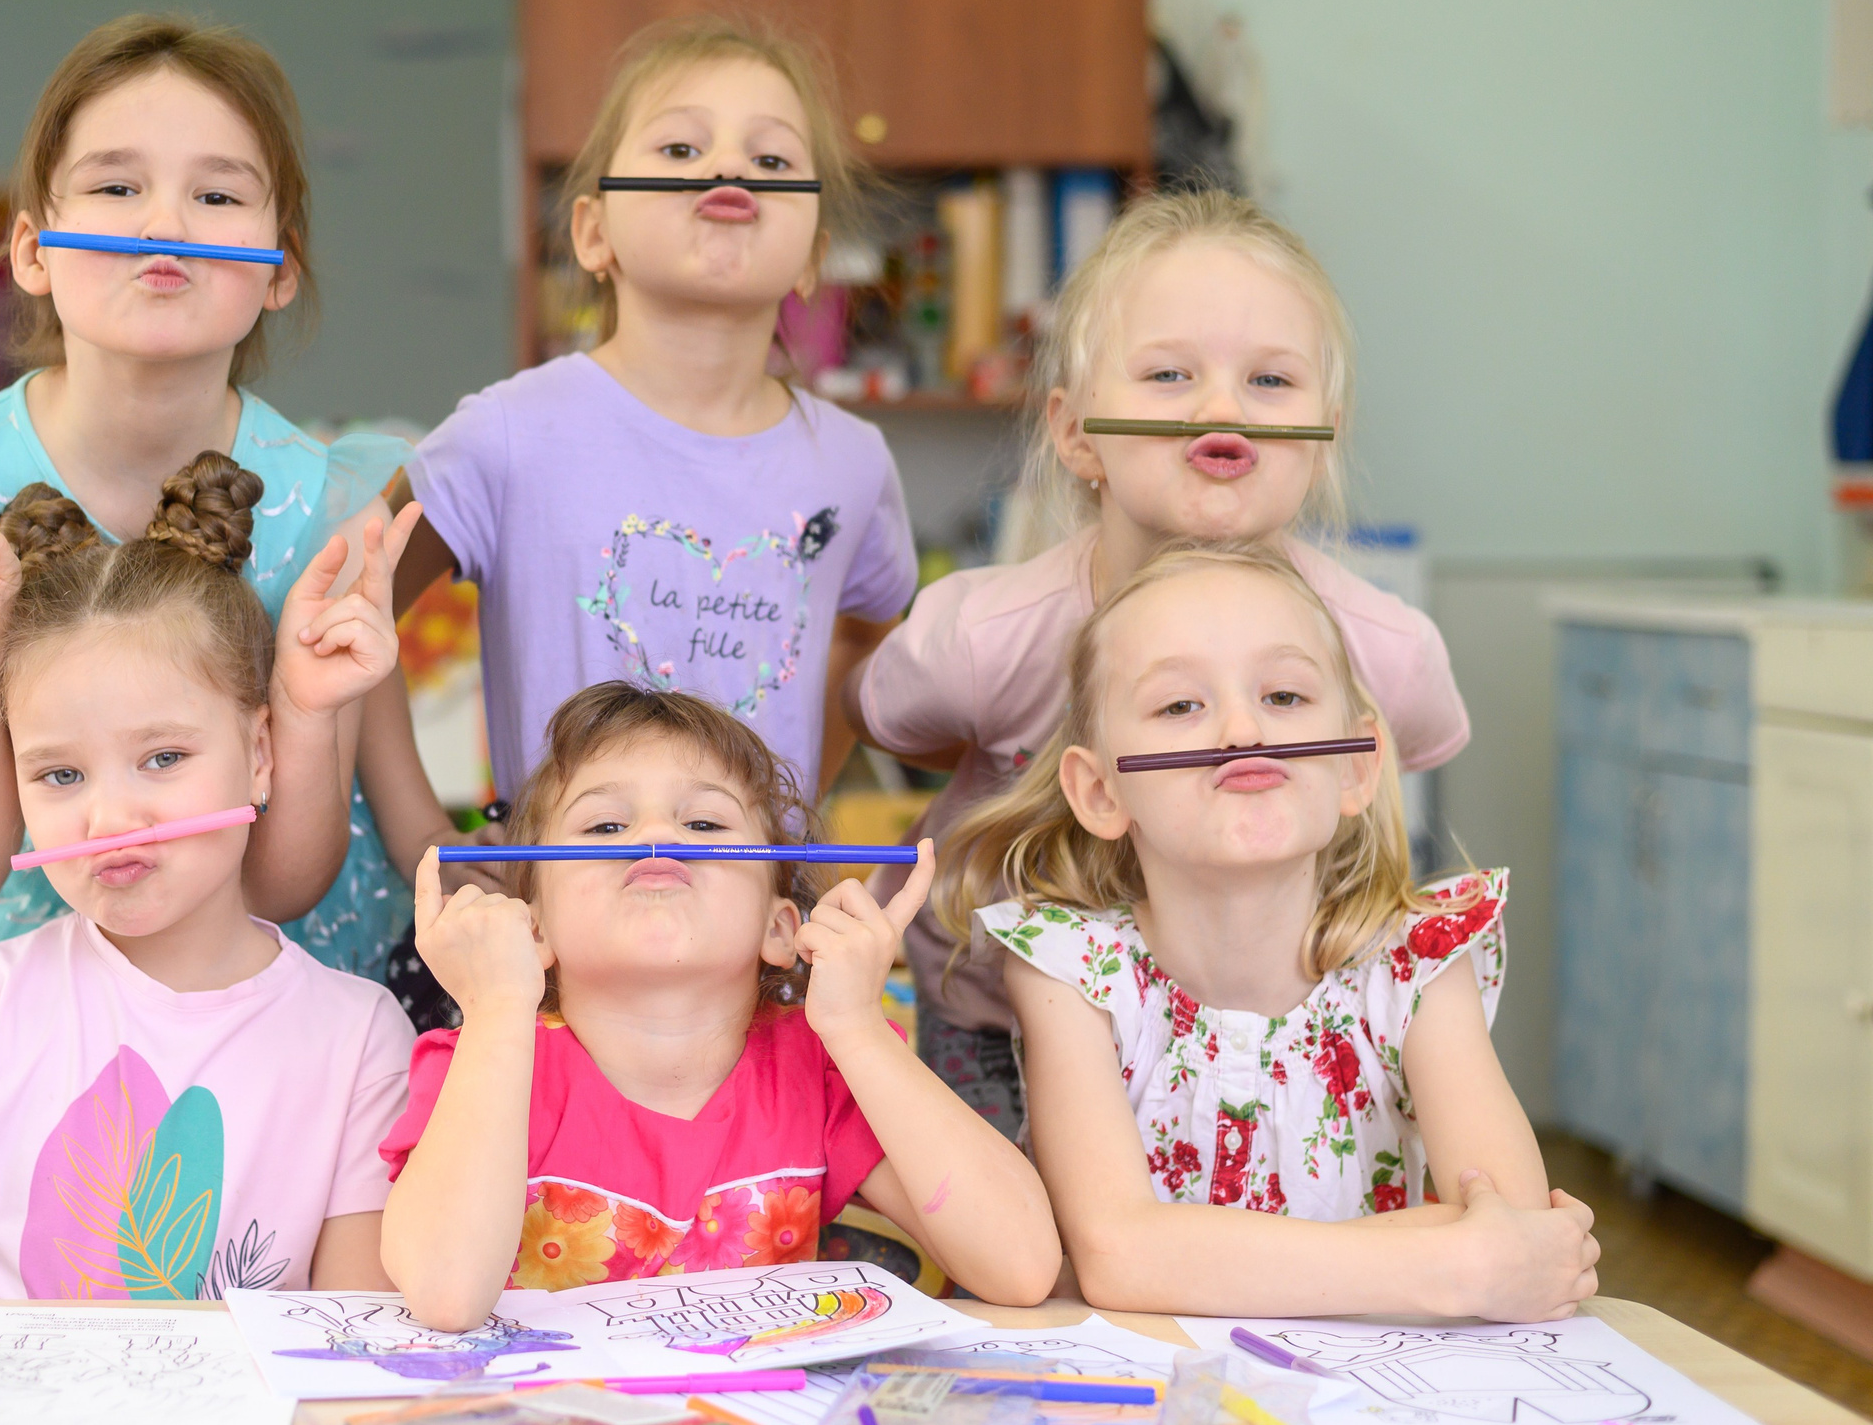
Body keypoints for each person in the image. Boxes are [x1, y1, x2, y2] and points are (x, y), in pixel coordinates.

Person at [0, 14, 460, 1022]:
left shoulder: (330, 506)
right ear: (30, 249)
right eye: (115, 185)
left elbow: (299, 872)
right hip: (12, 1015)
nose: (164, 221)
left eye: (217, 193)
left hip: (269, 1013)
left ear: (279, 269)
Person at [844, 189, 1468, 1141]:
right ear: (1075, 432)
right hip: (999, 1032)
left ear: (1325, 432)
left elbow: (1402, 749)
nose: (1221, 407)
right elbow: (896, 722)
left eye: (1270, 382)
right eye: (1170, 374)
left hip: (1259, 1035)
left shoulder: (1387, 653)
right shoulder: (983, 638)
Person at [937, 540, 1597, 1319]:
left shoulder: (1418, 962)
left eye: (1285, 695)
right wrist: (1450, 1263)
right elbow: (1115, 1253)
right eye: (1181, 704)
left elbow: (1514, 1234)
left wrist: (1184, 1258)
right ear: (1100, 789)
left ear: (1356, 765)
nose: (1245, 727)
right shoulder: (1071, 968)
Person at [0, 456, 419, 1300]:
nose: (108, 819)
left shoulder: (363, 1040)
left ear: (259, 754)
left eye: (163, 757)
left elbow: (355, 1352)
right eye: (60, 775)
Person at [379, 682, 1059, 1330]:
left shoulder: (819, 1069)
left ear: (781, 927)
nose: (656, 836)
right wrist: (497, 1009)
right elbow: (447, 1292)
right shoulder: (481, 1063)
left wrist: (858, 1028)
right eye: (605, 823)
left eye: (703, 821)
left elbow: (1022, 1264)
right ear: (534, 929)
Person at [393, 14, 917, 808]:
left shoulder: (853, 462)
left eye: (772, 157)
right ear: (593, 232)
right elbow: (342, 616)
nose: (729, 166)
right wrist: (418, 834)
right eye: (680, 148)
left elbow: (867, 630)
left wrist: (792, 814)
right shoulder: (507, 435)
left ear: (814, 255)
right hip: (547, 924)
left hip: (764, 925)